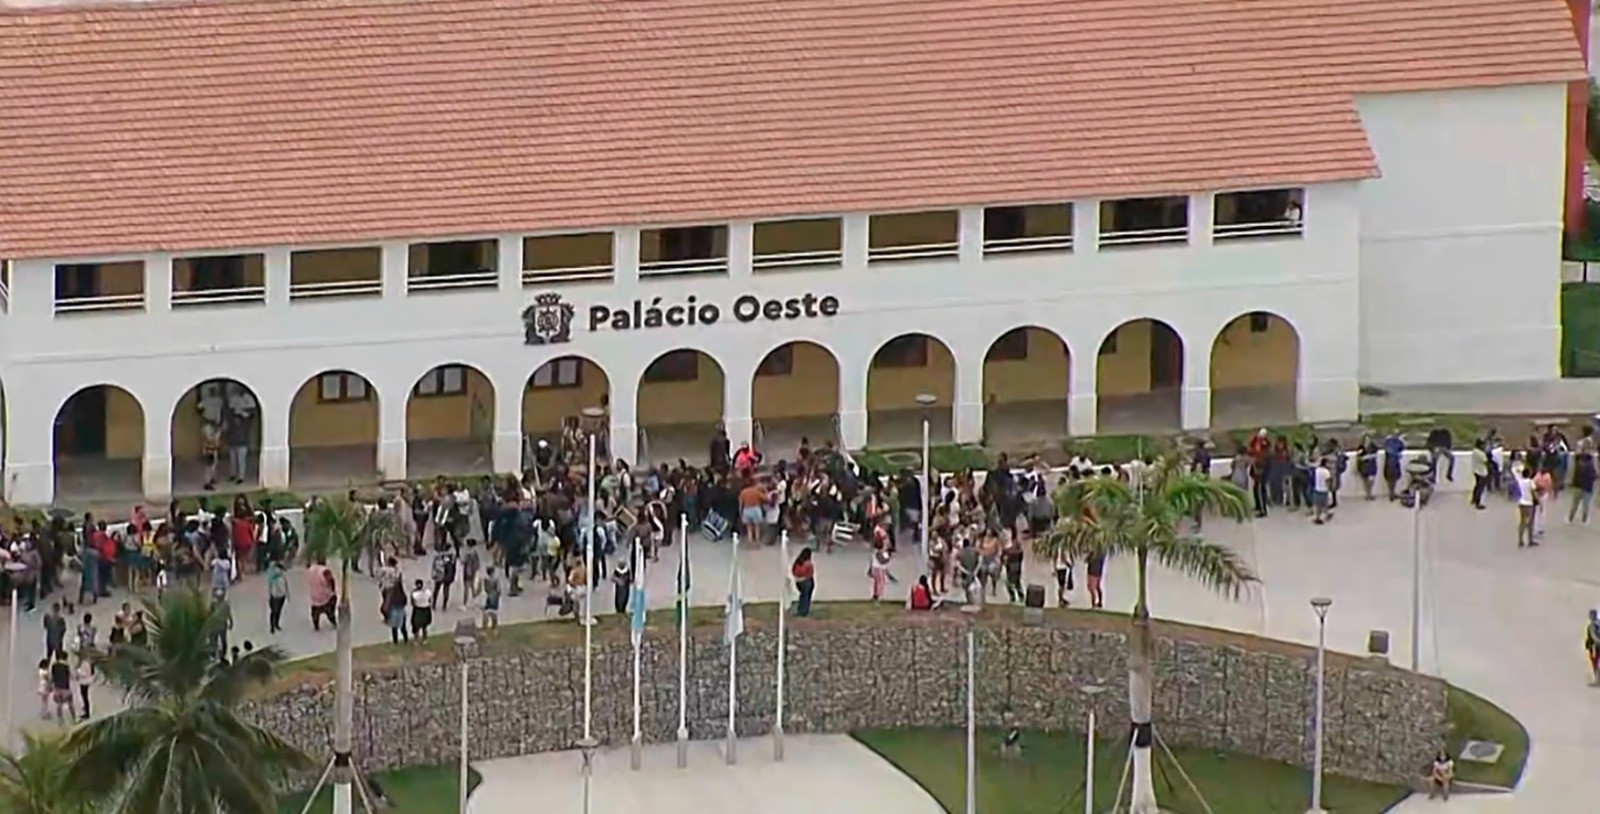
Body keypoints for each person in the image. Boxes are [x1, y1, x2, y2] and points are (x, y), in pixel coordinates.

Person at [307, 558, 336, 631]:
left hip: (313, 594)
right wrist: (332, 590)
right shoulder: (325, 571)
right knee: (330, 605)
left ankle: (316, 625)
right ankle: (332, 619)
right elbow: (331, 580)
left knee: (315, 609)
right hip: (324, 595)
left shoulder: (311, 569)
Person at [265, 558, 289, 634]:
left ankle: (276, 624)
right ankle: (272, 627)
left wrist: (287, 595)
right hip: (274, 596)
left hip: (282, 595)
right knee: (274, 611)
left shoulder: (282, 576)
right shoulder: (272, 577)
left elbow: (286, 585)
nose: (280, 571)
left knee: (279, 611)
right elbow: (270, 586)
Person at [791, 548, 815, 617]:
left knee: (803, 596)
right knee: (807, 596)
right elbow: (810, 573)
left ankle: (801, 609)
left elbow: (793, 571)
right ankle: (804, 611)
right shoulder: (808, 564)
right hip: (806, 582)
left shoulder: (797, 562)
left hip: (798, 581)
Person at [481, 565, 502, 630]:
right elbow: (499, 590)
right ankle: (494, 626)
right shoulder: (496, 579)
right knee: (494, 612)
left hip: (489, 596)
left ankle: (485, 625)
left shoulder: (486, 580)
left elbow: (485, 589)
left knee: (487, 611)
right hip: (495, 597)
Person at [1585, 609, 1600, 686]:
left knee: (1596, 663)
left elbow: (1594, 637)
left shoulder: (1592, 625)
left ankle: (1597, 681)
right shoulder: (1598, 623)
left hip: (1595, 647)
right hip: (1596, 646)